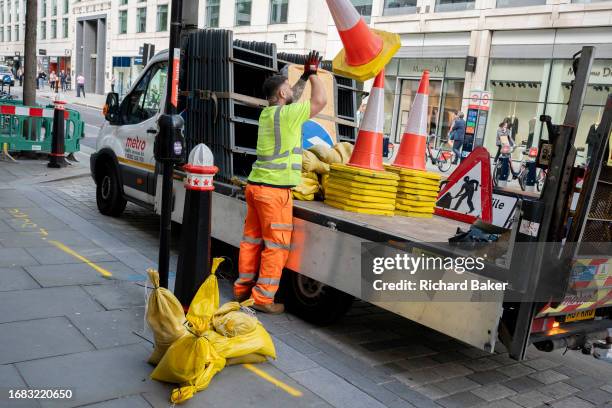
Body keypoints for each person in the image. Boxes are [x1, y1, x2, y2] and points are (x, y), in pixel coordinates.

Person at [233, 51, 327, 314]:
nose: (291, 92)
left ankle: (243, 291)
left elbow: (292, 96)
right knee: (276, 247)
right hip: (275, 194)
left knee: (251, 241)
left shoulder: (268, 114)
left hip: (255, 187)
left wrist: (305, 76)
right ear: (282, 95)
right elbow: (320, 100)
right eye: (288, 88)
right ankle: (263, 299)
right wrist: (316, 74)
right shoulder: (288, 116)